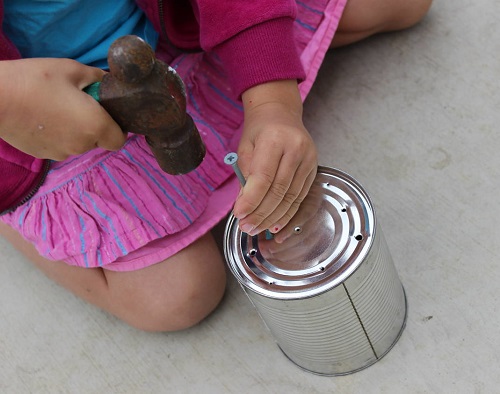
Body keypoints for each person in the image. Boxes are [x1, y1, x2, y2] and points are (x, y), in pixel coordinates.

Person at [0, 0, 432, 332]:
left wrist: (272, 102)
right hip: (29, 128)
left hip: (172, 25)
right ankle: (13, 208)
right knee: (179, 296)